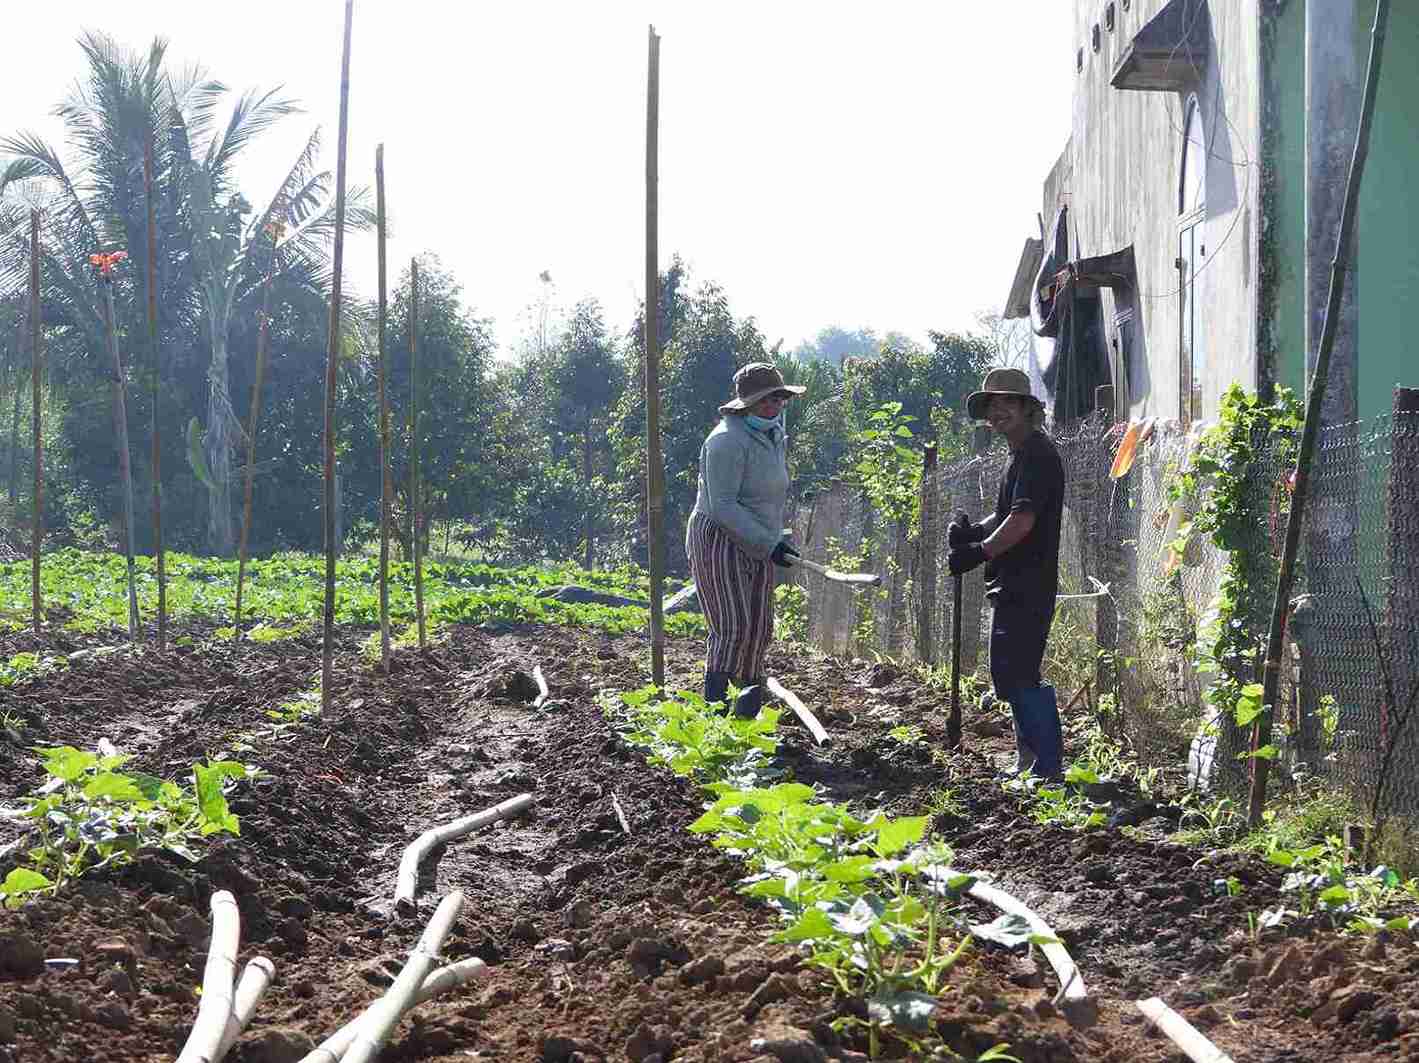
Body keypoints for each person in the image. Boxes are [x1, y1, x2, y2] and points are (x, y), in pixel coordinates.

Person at [946, 368, 1066, 779]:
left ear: (1028, 408)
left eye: (1007, 403)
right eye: (991, 406)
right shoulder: (1020, 455)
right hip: (1013, 582)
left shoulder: (1036, 455)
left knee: (1019, 673)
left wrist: (979, 551)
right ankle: (1029, 762)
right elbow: (1005, 513)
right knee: (1011, 673)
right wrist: (974, 532)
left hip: (1028, 582)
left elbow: (1022, 522)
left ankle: (1047, 770)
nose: (997, 412)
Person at [686, 362, 804, 716]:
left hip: (759, 539)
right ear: (746, 403)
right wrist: (769, 544)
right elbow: (722, 505)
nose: (772, 406)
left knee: (758, 630)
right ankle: (715, 720)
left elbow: (766, 497)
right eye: (765, 400)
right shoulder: (725, 440)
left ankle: (745, 719)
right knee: (732, 627)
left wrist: (773, 540)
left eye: (778, 398)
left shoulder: (774, 436)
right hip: (719, 538)